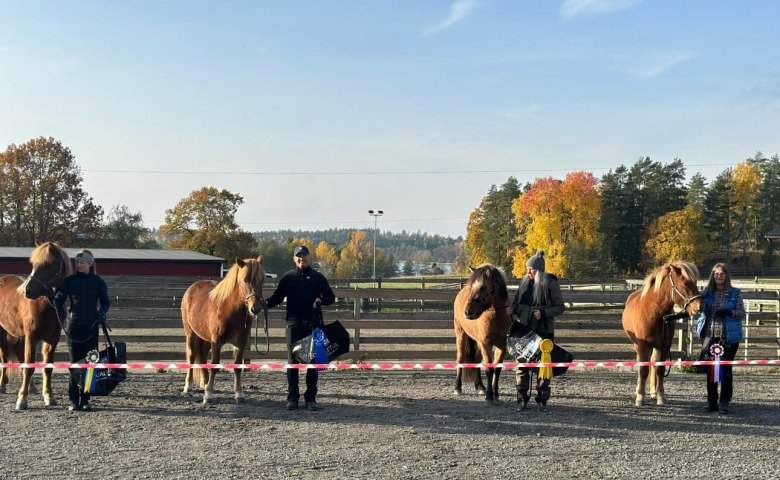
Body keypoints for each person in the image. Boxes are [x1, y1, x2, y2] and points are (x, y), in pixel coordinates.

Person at [266, 245, 335, 411]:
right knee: (293, 363)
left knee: (313, 362)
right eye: (298, 257)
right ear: (294, 259)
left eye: (304, 256)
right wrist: (263, 304)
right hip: (293, 325)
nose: (301, 259)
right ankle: (292, 397)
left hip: (313, 325)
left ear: (309, 258)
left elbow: (330, 297)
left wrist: (321, 300)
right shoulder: (288, 278)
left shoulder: (318, 277)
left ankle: (311, 397)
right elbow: (276, 297)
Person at [53, 249, 110, 412]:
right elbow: (61, 297)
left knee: (90, 363)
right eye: (77, 262)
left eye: (82, 262)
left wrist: (101, 315)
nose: (79, 265)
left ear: (90, 264)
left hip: (91, 327)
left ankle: (85, 399)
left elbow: (105, 302)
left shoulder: (98, 282)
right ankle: (73, 400)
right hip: (74, 327)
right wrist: (56, 299)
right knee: (75, 364)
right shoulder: (69, 281)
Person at [510, 250, 565, 412]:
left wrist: (544, 313)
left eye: (531, 270)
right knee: (522, 364)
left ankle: (542, 398)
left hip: (544, 332)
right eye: (527, 269)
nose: (528, 272)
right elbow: (517, 304)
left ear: (540, 271)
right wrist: (512, 309)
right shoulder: (524, 283)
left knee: (544, 366)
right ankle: (521, 397)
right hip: (525, 331)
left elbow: (560, 307)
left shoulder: (551, 284)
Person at [696, 263, 744, 414]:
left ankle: (724, 401)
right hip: (710, 337)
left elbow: (741, 313)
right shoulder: (706, 293)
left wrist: (728, 312)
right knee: (710, 370)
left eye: (722, 274)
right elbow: (697, 308)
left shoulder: (735, 293)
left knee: (726, 370)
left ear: (726, 276)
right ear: (713, 275)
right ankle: (711, 402)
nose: (719, 276)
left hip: (728, 338)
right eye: (716, 274)